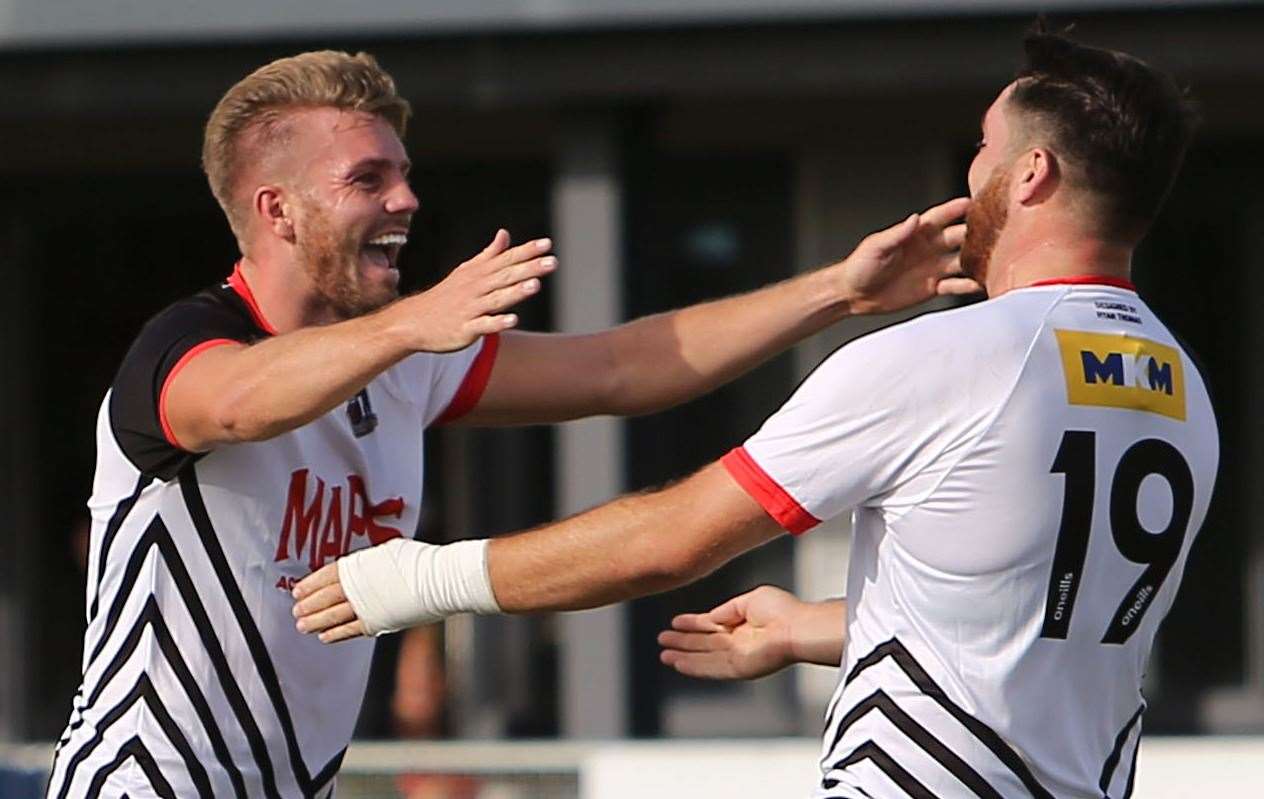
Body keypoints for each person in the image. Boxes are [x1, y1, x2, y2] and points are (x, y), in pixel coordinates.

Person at [294, 27, 1216, 798]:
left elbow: (675, 538)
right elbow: (1032, 614)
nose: (970, 169)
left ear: (1032, 176)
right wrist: (804, 628)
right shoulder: (1181, 388)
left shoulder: (948, 357)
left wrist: (417, 582)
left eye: (983, 147)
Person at [48, 50, 974, 799]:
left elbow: (623, 366)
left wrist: (839, 292)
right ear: (276, 210)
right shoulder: (189, 344)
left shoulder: (402, 359)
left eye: (404, 175)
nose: (405, 200)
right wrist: (415, 322)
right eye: (367, 178)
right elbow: (239, 401)